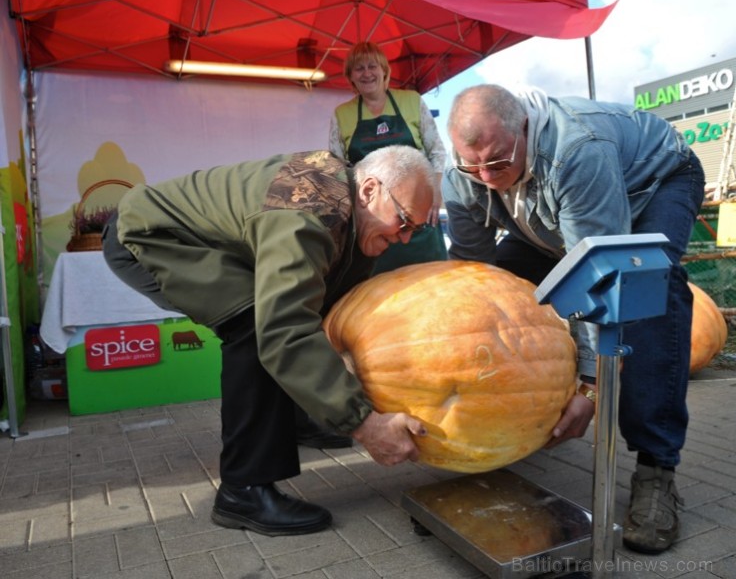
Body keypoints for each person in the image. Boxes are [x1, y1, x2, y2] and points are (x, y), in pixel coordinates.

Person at [102, 145, 434, 537]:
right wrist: (363, 423)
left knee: (290, 309)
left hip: (206, 241)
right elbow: (285, 330)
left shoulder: (351, 210)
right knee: (254, 322)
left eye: (417, 228)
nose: (405, 237)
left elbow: (324, 306)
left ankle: (298, 421)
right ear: (369, 190)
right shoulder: (308, 212)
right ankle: (243, 489)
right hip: (150, 234)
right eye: (404, 220)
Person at [442, 84, 705, 555]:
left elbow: (597, 279)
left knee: (646, 299)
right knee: (504, 283)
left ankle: (656, 470)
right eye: (472, 165)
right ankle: (523, 414)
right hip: (553, 215)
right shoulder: (464, 173)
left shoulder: (577, 150)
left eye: (498, 162)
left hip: (654, 186)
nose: (485, 177)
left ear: (524, 127)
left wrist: (590, 385)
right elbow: (472, 277)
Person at [329, 41, 448, 274]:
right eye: (359, 68)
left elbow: (437, 151)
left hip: (418, 216)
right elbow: (336, 168)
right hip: (373, 222)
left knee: (432, 282)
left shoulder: (412, 101)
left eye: (372, 66)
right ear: (350, 76)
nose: (366, 73)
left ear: (384, 70)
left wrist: (434, 193)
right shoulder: (341, 114)